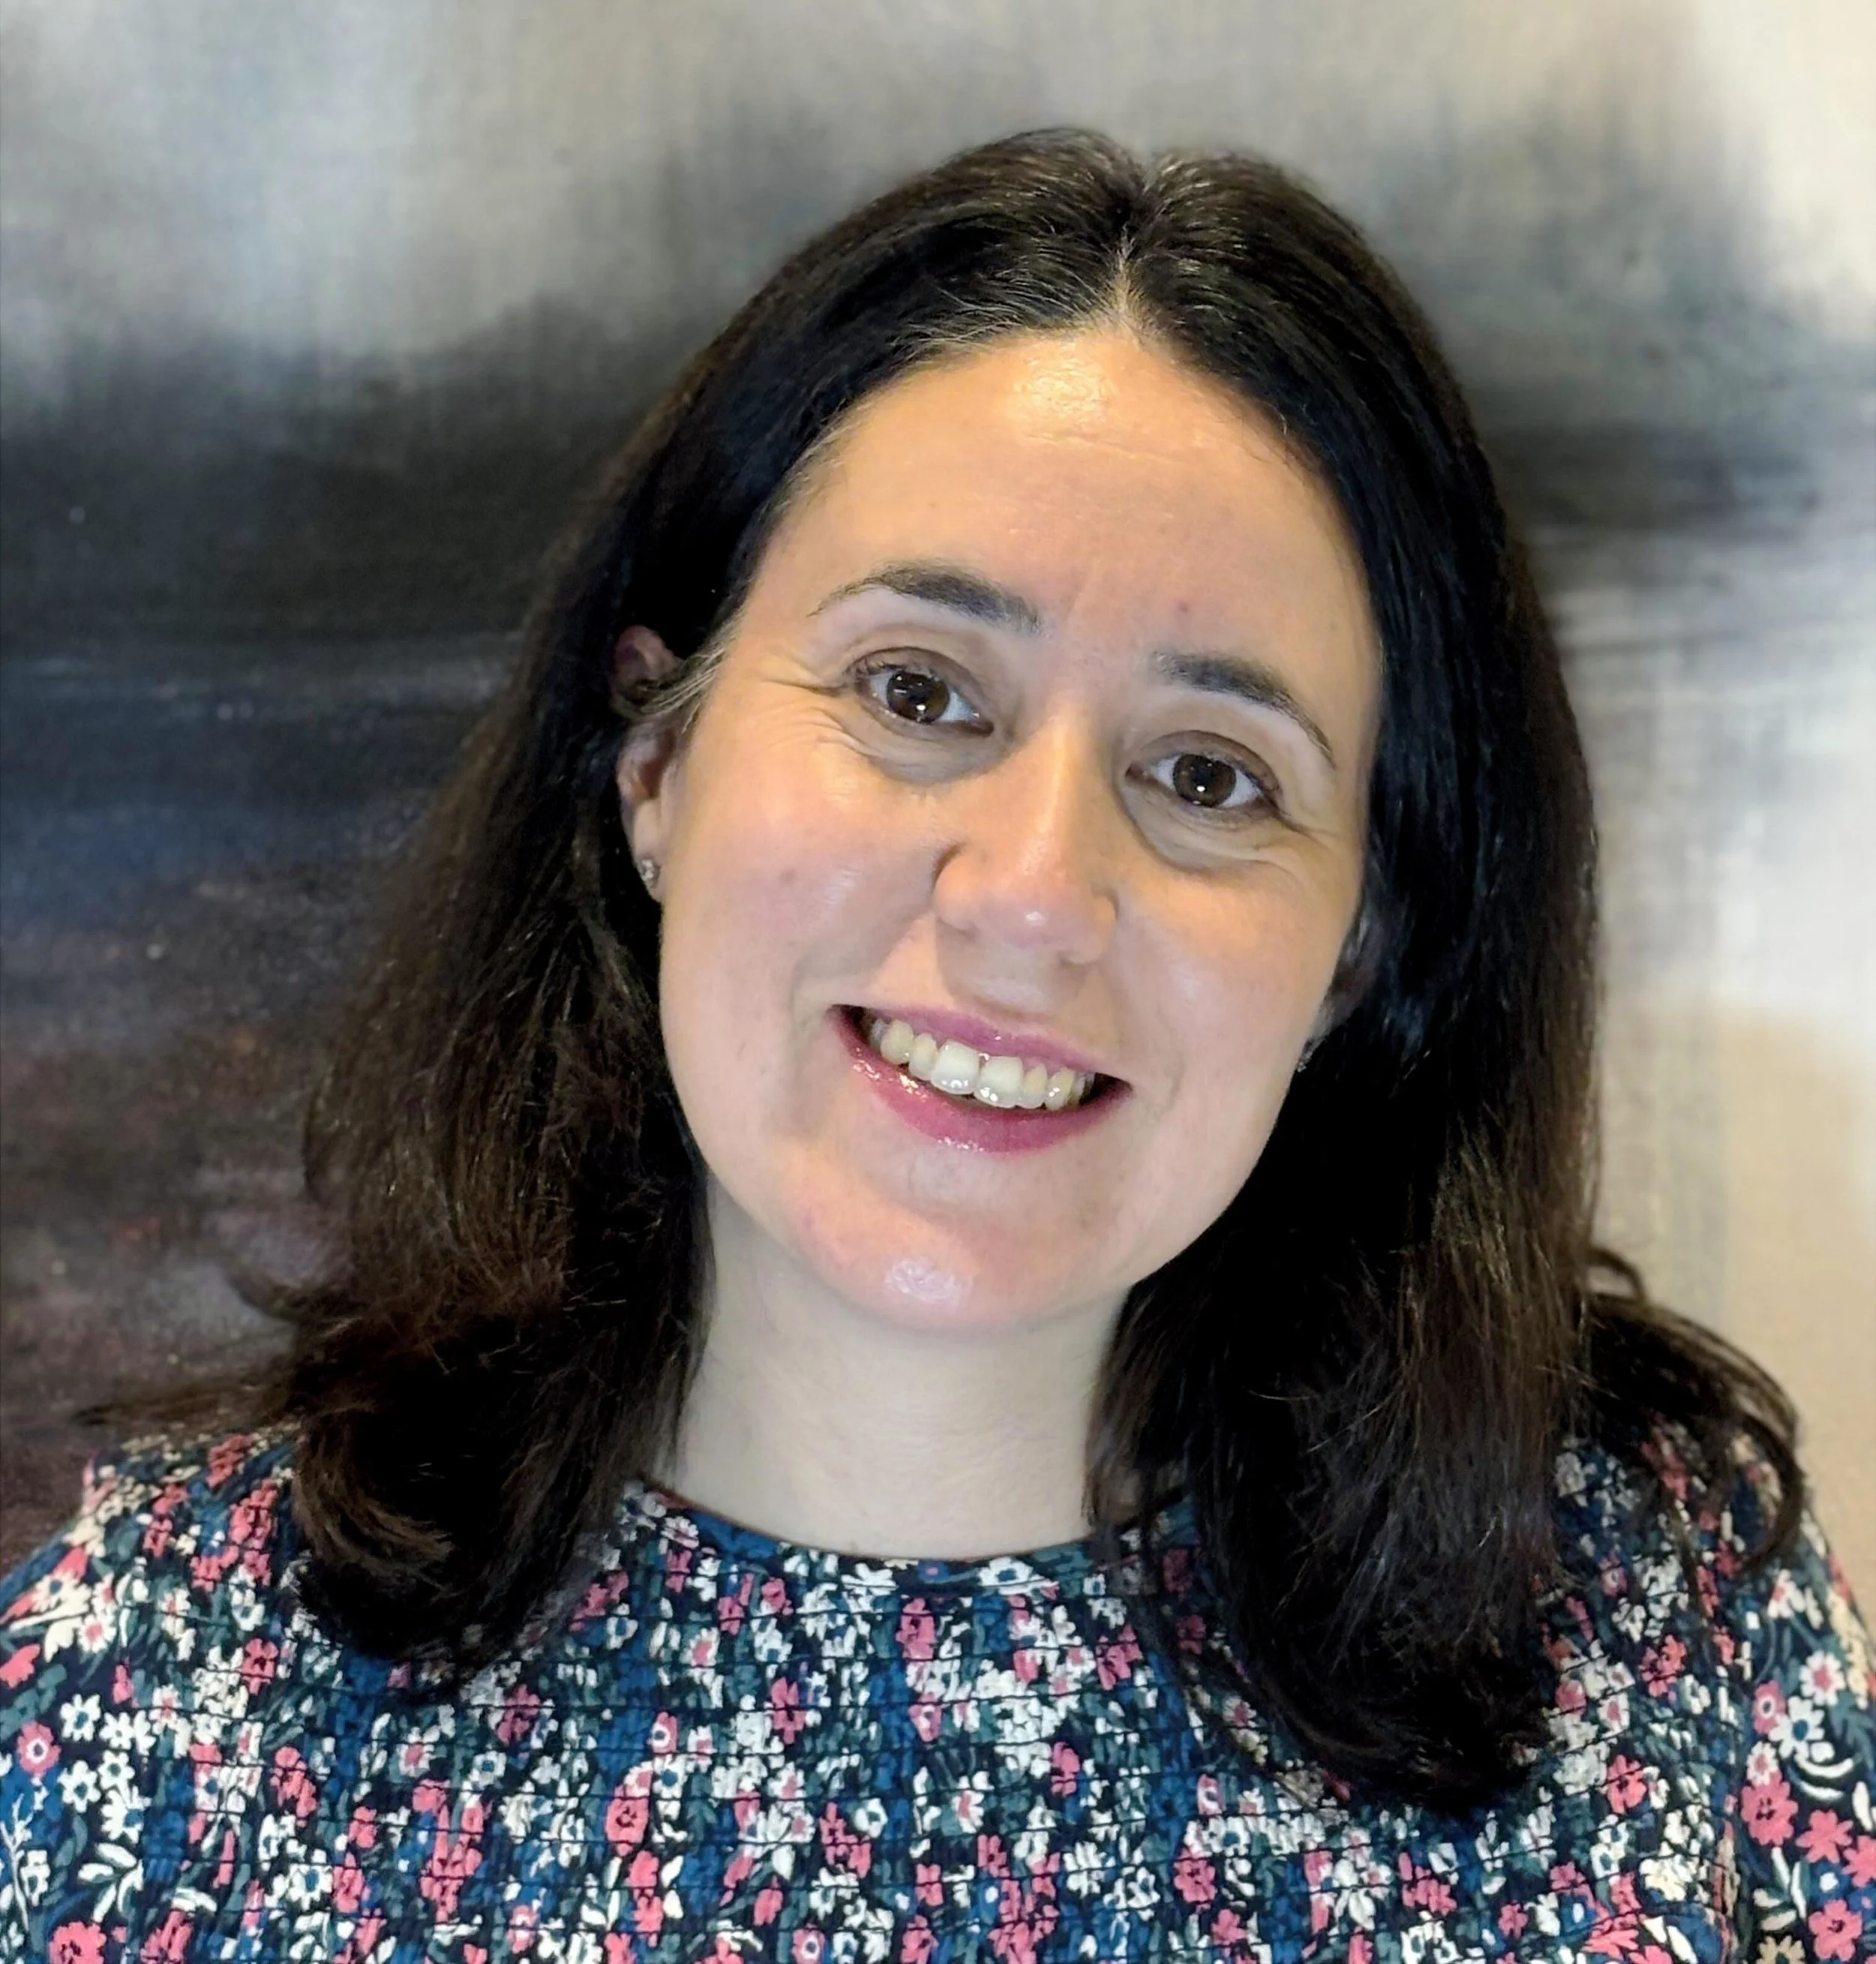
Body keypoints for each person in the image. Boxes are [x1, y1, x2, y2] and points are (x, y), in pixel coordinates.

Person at [2, 128, 1869, 1964]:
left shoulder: (1661, 1619)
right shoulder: (152, 1711)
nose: (1031, 893)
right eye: (916, 693)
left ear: (1353, 953)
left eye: (1208, 776)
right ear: (654, 765)